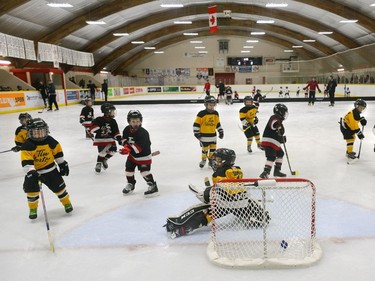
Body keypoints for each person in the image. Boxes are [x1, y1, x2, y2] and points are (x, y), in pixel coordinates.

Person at [164, 148, 270, 238]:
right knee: (248, 204)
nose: (216, 162)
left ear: (225, 161)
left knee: (209, 210)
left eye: (219, 160)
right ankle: (260, 216)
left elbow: (218, 187)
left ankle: (182, 226)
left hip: (226, 203)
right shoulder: (237, 169)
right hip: (242, 201)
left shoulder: (218, 173)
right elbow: (230, 181)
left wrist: (206, 193)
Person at [20, 118, 72, 219]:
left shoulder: (50, 141)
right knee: (31, 192)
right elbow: (26, 161)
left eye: (42, 132)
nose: (40, 135)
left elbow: (57, 152)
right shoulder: (27, 145)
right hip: (35, 173)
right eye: (36, 133)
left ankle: (67, 203)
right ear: (30, 133)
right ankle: (33, 209)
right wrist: (31, 171)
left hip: (51, 171)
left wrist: (62, 163)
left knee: (60, 189)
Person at [120, 110, 159, 197]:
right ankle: (131, 184)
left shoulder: (143, 133)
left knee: (144, 172)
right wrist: (124, 145)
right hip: (132, 156)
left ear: (141, 121)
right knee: (128, 171)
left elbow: (138, 149)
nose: (136, 123)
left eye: (137, 121)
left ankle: (153, 186)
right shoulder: (127, 129)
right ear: (129, 121)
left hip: (144, 157)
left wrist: (127, 149)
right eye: (133, 121)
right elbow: (124, 140)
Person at [89, 103, 122, 174]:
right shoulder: (99, 119)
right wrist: (98, 128)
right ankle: (98, 163)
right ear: (107, 112)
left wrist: (119, 138)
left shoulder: (113, 121)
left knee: (113, 151)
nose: (113, 113)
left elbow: (116, 131)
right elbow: (92, 129)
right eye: (112, 111)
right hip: (101, 140)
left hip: (110, 140)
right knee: (103, 152)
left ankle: (105, 160)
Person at [193, 95, 224, 169]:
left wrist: (220, 131)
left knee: (213, 150)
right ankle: (204, 159)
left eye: (213, 105)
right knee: (205, 150)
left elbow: (217, 124)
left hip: (213, 136)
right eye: (210, 105)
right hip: (204, 137)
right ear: (206, 105)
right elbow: (196, 124)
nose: (212, 106)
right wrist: (196, 133)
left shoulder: (216, 113)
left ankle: (211, 160)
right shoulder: (201, 113)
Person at [259, 104, 288, 178]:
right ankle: (265, 172)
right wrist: (278, 126)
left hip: (273, 142)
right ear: (280, 112)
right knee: (271, 157)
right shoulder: (274, 118)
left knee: (280, 153)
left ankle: (277, 171)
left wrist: (281, 139)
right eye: (284, 112)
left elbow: (276, 133)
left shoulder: (279, 120)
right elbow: (273, 125)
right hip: (269, 142)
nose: (285, 115)